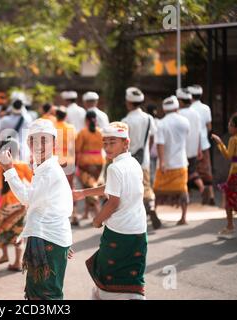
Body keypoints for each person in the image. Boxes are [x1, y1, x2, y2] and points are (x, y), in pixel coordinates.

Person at [73, 122, 148, 300]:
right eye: (105, 143)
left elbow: (113, 201)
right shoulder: (134, 163)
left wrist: (97, 220)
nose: (107, 147)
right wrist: (84, 193)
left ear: (126, 143)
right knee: (132, 277)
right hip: (138, 230)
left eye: (112, 142)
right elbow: (114, 188)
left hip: (119, 231)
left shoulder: (114, 168)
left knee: (107, 275)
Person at [0, 118, 73, 300]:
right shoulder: (42, 167)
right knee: (37, 293)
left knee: (46, 294)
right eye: (33, 140)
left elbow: (27, 198)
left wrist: (9, 169)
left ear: (54, 143)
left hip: (49, 237)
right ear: (28, 143)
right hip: (47, 235)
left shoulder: (50, 170)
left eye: (44, 140)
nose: (38, 145)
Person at [122, 87, 161, 229]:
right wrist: (146, 152)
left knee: (130, 189)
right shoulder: (149, 118)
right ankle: (150, 205)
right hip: (144, 159)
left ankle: (134, 217)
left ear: (129, 103)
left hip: (129, 161)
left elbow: (123, 144)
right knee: (146, 186)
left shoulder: (125, 121)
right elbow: (151, 138)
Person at [0, 138, 33, 271]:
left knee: (2, 230)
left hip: (6, 205)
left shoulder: (0, 167)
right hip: (20, 204)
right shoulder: (22, 165)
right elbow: (33, 181)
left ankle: (4, 255)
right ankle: (17, 262)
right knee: (18, 233)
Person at [153, 96, 190, 225]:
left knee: (157, 191)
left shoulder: (161, 123)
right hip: (181, 163)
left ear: (164, 109)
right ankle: (183, 217)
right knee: (182, 190)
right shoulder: (185, 121)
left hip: (166, 164)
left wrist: (162, 162)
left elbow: (160, 144)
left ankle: (154, 212)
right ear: (176, 107)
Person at [211, 114, 237, 239]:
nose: (229, 127)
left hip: (235, 174)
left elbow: (228, 156)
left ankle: (230, 225)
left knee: (229, 199)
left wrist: (220, 143)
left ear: (236, 127)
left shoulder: (233, 139)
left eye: (230, 125)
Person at [75, 110, 105, 220]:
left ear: (86, 120)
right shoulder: (101, 132)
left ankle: (98, 212)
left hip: (85, 163)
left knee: (87, 187)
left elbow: (77, 149)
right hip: (99, 162)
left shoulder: (83, 132)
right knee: (93, 185)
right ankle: (86, 213)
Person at [176, 88, 205, 199]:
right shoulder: (196, 114)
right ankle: (200, 187)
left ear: (181, 101)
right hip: (193, 148)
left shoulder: (180, 114)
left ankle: (185, 195)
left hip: (182, 149)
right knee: (192, 171)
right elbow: (199, 132)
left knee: (184, 173)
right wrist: (199, 149)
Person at [189, 85, 215, 205]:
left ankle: (187, 198)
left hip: (191, 145)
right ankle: (211, 195)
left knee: (190, 171)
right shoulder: (206, 108)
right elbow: (209, 127)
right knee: (206, 170)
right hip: (204, 144)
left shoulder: (189, 109)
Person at [54, 106, 78, 225]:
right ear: (66, 116)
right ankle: (74, 214)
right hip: (69, 159)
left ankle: (58, 213)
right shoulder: (71, 128)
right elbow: (74, 145)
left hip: (56, 159)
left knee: (55, 187)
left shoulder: (53, 127)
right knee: (70, 186)